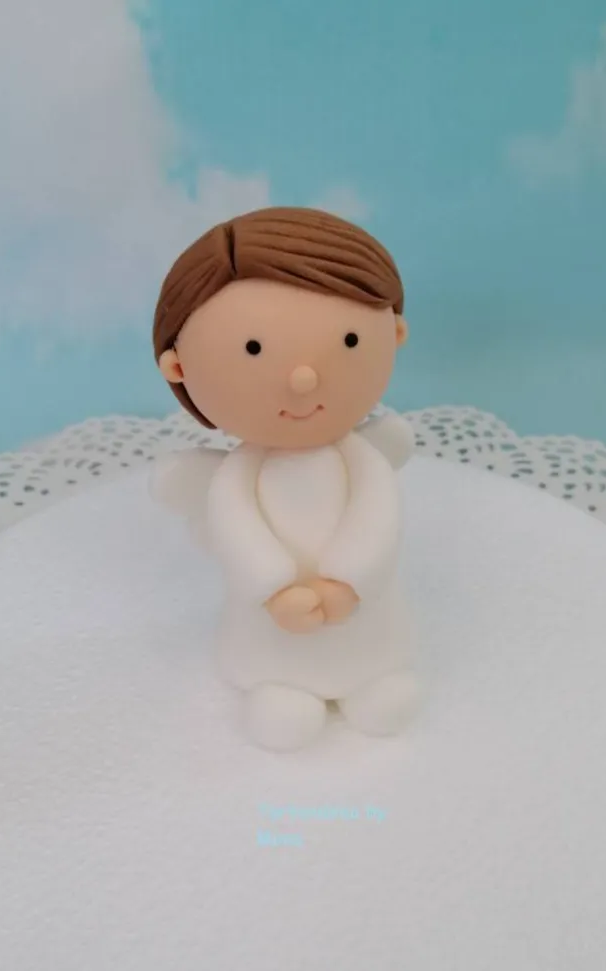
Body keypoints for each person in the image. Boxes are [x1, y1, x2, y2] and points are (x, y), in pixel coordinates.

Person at [151, 207, 421, 752]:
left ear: (394, 333)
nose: (304, 379)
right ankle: (282, 688)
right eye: (253, 349)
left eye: (349, 341)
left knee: (372, 654)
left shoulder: (363, 462)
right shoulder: (238, 477)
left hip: (362, 613)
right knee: (280, 671)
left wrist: (350, 580)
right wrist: (273, 588)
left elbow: (377, 519)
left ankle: (372, 680)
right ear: (177, 367)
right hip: (274, 622)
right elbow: (237, 531)